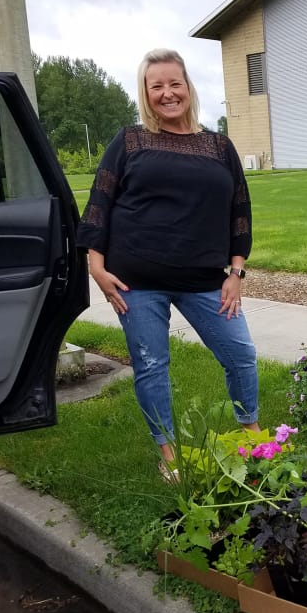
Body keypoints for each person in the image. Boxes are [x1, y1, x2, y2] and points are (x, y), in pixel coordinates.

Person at [76, 48, 259, 479]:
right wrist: (96, 268)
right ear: (145, 92)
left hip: (205, 279)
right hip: (136, 281)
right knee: (152, 364)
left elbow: (240, 210)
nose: (167, 93)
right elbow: (99, 201)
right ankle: (169, 454)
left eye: (174, 83)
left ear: (188, 87)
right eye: (156, 85)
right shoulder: (129, 141)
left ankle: (252, 433)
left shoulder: (219, 146)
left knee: (241, 354)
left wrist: (236, 271)